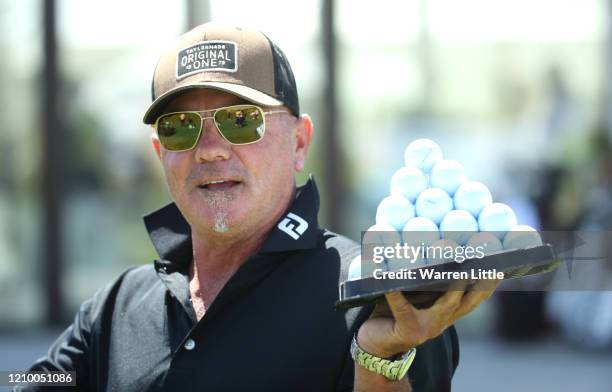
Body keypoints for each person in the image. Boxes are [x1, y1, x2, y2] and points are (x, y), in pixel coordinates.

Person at [23, 23, 498, 391]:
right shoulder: (117, 305)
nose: (209, 149)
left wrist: (380, 361)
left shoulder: (375, 298)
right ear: (158, 153)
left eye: (240, 120)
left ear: (299, 142)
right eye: (180, 127)